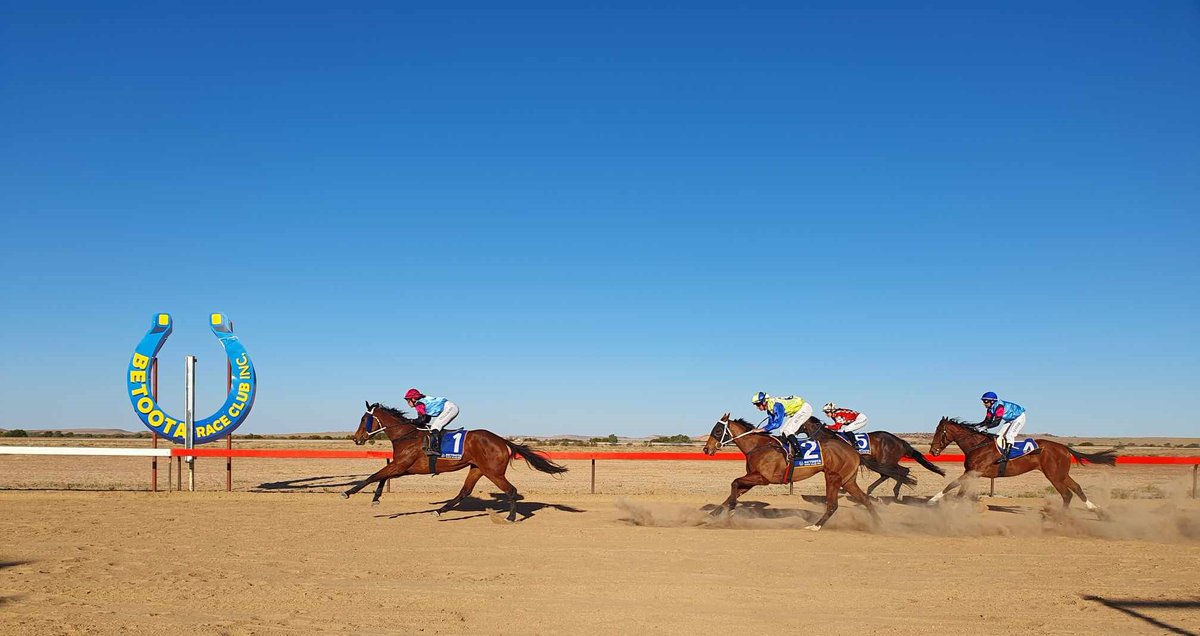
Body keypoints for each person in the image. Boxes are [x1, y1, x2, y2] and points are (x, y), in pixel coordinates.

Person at [750, 392, 812, 456]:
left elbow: (777, 424)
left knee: (788, 431)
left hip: (804, 409)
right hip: (797, 412)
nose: (757, 407)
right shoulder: (770, 409)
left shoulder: (777, 405)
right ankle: (789, 451)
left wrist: (760, 430)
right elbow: (770, 424)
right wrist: (759, 432)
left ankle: (799, 453)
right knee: (782, 431)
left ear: (764, 402)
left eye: (758, 405)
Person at [404, 388, 460, 457]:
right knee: (436, 426)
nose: (408, 402)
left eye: (408, 400)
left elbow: (421, 420)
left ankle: (435, 449)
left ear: (413, 399)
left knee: (435, 426)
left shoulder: (419, 404)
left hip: (450, 408)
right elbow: (426, 420)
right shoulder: (422, 402)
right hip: (451, 407)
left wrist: (410, 421)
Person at [980, 391, 1026, 460]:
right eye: (983, 401)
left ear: (992, 401)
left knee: (1009, 435)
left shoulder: (999, 407)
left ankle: (1007, 456)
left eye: (985, 401)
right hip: (1010, 419)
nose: (984, 403)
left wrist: (985, 427)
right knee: (999, 435)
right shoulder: (990, 408)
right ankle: (1002, 452)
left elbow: (996, 423)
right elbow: (987, 421)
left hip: (1019, 417)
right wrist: (976, 426)